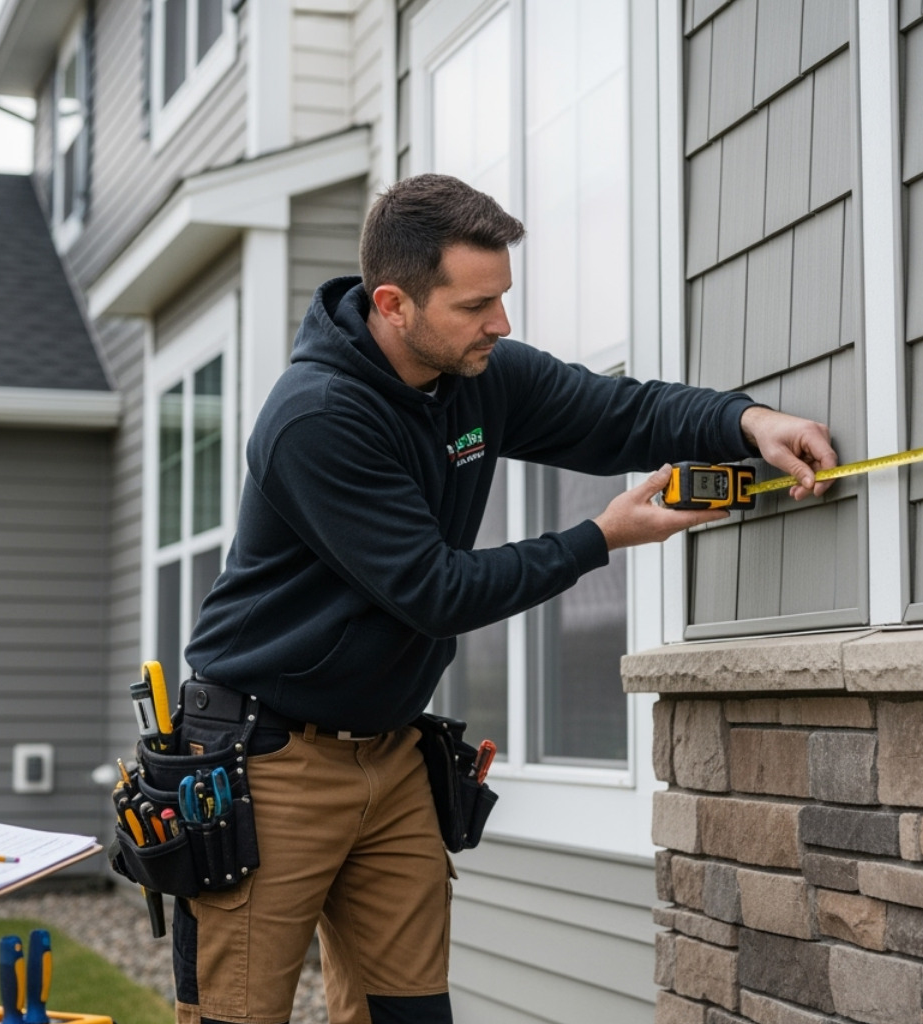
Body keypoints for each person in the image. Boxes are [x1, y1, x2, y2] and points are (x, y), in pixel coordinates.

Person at [173, 174, 837, 1024]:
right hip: (267, 760)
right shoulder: (319, 416)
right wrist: (599, 538)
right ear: (394, 304)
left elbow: (618, 414)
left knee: (409, 1015)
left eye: (504, 299)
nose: (502, 324)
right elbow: (434, 591)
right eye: (477, 305)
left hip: (389, 752)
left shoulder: (478, 380)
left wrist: (747, 424)